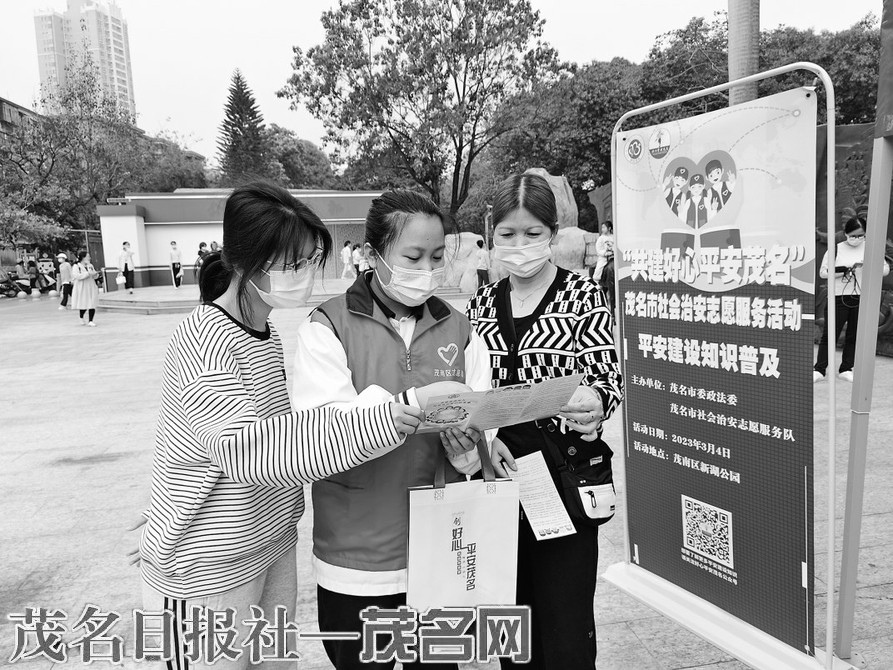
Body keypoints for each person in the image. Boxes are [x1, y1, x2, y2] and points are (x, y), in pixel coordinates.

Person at [137, 182, 426, 670]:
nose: (305, 274)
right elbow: (247, 450)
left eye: (310, 260)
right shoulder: (203, 338)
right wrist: (383, 419)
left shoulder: (263, 333)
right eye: (291, 264)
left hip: (267, 545)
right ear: (244, 263)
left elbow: (281, 431)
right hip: (207, 567)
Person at [291, 189, 497, 670]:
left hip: (441, 550)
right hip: (357, 558)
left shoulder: (460, 330)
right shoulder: (327, 327)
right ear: (372, 254)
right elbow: (321, 436)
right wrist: (401, 409)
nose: (427, 269)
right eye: (412, 256)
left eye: (437, 257)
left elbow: (482, 424)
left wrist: (469, 450)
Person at [465, 173, 623, 670]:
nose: (519, 245)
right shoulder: (480, 304)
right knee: (512, 614)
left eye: (532, 233)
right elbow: (467, 386)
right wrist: (481, 438)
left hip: (563, 474)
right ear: (492, 236)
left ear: (552, 234)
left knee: (564, 618)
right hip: (498, 474)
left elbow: (607, 376)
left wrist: (596, 401)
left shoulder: (582, 295)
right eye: (507, 234)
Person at [814, 216, 890, 382]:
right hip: (838, 298)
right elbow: (823, 273)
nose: (857, 239)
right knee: (829, 334)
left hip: (861, 297)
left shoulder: (870, 249)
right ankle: (820, 369)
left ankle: (846, 368)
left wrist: (869, 265)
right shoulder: (836, 249)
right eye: (853, 236)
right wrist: (844, 270)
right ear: (846, 233)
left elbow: (885, 269)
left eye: (861, 235)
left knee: (853, 335)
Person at [71, 251, 100, 326]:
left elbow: (94, 275)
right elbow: (77, 276)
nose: (89, 258)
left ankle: (91, 320)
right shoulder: (76, 266)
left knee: (92, 303)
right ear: (83, 257)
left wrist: (95, 274)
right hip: (82, 287)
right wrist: (88, 273)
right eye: (88, 256)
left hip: (91, 285)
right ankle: (81, 317)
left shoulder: (90, 265)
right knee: (83, 302)